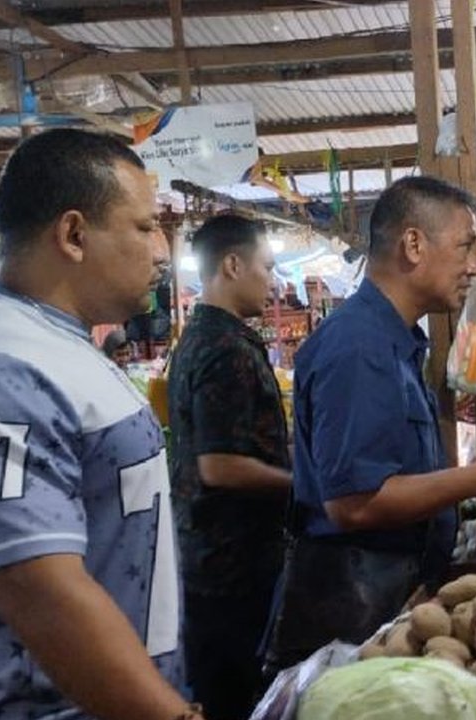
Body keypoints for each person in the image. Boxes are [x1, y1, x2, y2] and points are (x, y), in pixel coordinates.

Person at [0, 129, 199, 719]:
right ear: (73, 234)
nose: (162, 252)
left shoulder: (56, 345)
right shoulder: (5, 369)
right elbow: (36, 586)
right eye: (145, 227)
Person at [266, 176, 476, 669]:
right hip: (347, 613)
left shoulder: (396, 342)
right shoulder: (359, 349)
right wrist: (475, 479)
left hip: (384, 595)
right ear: (413, 244)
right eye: (465, 247)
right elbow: (354, 504)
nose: (474, 268)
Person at [166, 214, 291, 720]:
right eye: (267, 266)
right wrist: (300, 484)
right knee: (237, 696)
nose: (273, 280)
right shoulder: (225, 349)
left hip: (209, 555)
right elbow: (219, 465)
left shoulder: (200, 337)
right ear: (233, 265)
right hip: (232, 563)